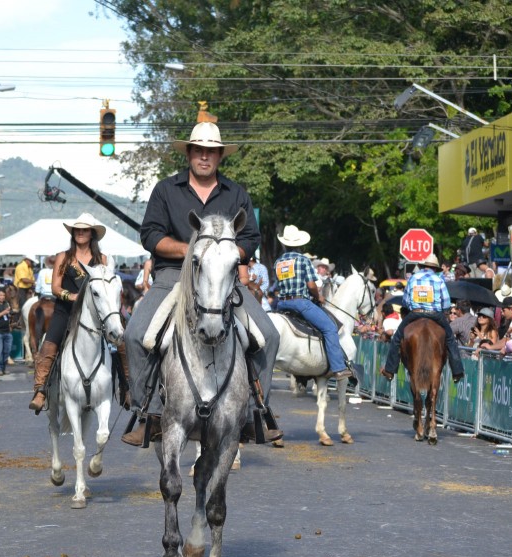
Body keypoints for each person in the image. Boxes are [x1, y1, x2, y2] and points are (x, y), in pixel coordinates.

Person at [119, 121, 280, 445]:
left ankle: (252, 414)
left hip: (223, 281)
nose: (204, 157)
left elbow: (250, 237)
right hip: (172, 275)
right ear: (189, 153)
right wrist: (191, 250)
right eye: (199, 151)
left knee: (270, 335)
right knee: (136, 334)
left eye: (211, 152)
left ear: (219, 156)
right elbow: (150, 234)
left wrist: (223, 254)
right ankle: (147, 414)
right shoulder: (166, 190)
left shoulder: (236, 193)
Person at [29, 214, 113, 412]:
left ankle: (127, 388)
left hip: (94, 314)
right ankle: (40, 391)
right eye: (77, 230)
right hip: (65, 311)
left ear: (92, 233)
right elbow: (55, 288)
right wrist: (73, 297)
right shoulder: (63, 257)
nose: (81, 233)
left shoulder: (102, 259)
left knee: (122, 341)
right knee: (49, 346)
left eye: (85, 229)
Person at [271, 225, 353, 380]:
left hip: (281, 304)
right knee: (329, 328)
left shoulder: (279, 262)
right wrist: (318, 296)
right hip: (300, 302)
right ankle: (338, 368)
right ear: (300, 244)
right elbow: (310, 285)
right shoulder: (303, 260)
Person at [381, 255, 465, 382]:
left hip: (415, 313)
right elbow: (446, 303)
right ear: (435, 268)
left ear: (421, 266)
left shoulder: (413, 278)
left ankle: (390, 370)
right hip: (435, 314)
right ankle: (457, 371)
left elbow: (405, 301)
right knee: (450, 339)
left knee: (397, 338)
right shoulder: (439, 279)